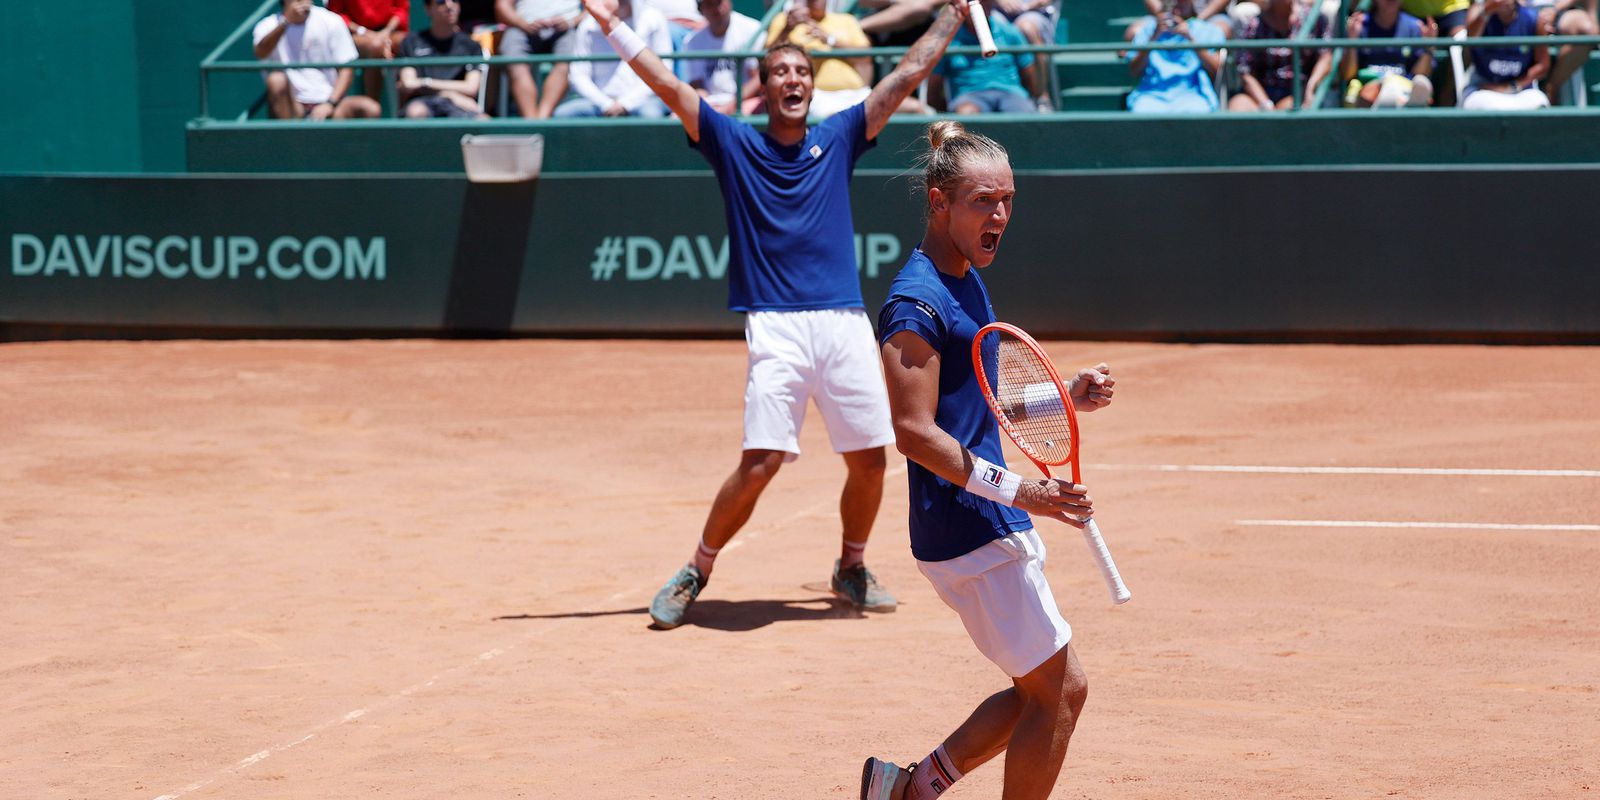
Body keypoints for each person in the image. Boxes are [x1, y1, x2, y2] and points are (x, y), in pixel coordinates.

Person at [569, 0, 977, 629]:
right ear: (764, 87)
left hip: (843, 322)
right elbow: (667, 82)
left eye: (803, 73)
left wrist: (951, 15)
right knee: (760, 462)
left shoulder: (839, 137)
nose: (794, 80)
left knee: (871, 459)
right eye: (781, 72)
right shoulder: (732, 144)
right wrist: (609, 24)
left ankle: (851, 564)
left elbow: (903, 77)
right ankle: (697, 568)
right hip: (777, 326)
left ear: (812, 87)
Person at [862, 120, 1114, 800]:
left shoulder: (965, 276)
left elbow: (984, 397)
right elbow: (914, 432)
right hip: (968, 524)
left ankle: (910, 789)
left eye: (1007, 199)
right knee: (1063, 691)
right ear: (939, 204)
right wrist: (1022, 493)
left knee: (1036, 689)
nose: (999, 214)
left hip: (981, 517)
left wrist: (1065, 398)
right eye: (983, 200)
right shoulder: (916, 303)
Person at [253, 0, 383, 121]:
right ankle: (289, 143)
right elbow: (261, 53)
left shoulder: (331, 20)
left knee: (370, 109)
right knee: (276, 80)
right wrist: (286, 22)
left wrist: (330, 103)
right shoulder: (267, 25)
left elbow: (346, 70)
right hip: (293, 106)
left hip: (331, 104)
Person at [555, 0, 674, 116]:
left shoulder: (653, 18)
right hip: (598, 102)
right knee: (563, 115)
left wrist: (626, 103)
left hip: (643, 102)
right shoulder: (587, 25)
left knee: (650, 114)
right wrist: (606, 104)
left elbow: (664, 70)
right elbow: (578, 75)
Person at [766, 0, 880, 117]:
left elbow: (865, 55)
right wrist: (787, 29)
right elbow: (767, 58)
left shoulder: (846, 20)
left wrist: (830, 40)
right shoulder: (783, 20)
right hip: (815, 96)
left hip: (856, 93)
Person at [931, 0, 1040, 113]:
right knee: (967, 112)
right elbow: (933, 88)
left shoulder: (1010, 32)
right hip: (969, 95)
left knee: (1023, 111)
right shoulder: (948, 40)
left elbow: (1029, 75)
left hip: (1011, 92)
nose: (985, 4)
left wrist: (1036, 98)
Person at [1123, 0, 1227, 113]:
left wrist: (1190, 39)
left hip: (1193, 95)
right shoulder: (1148, 30)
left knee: (1199, 111)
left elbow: (1216, 70)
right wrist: (1154, 38)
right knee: (1141, 110)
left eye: (1182, 2)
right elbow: (1134, 71)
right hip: (1151, 95)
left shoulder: (1205, 29)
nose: (1177, 6)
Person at [1228, 0, 1333, 110]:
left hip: (1297, 92)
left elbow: (1326, 56)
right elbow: (1245, 70)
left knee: (1290, 109)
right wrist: (1266, 104)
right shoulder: (1254, 24)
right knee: (1238, 105)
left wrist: (1310, 87)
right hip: (1260, 93)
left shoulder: (1313, 19)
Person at [398, 0, 490, 118]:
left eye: (454, 1)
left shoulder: (471, 45)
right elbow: (408, 83)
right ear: (428, 9)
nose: (449, 6)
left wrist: (425, 83)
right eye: (441, 2)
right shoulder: (411, 41)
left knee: (483, 120)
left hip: (459, 103)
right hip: (423, 101)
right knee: (416, 112)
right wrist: (446, 93)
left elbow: (471, 87)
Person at [1340, 0, 1436, 107]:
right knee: (1373, 92)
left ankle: (1402, 103)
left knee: (1418, 82)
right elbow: (1348, 74)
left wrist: (1428, 48)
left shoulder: (1414, 26)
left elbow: (1419, 74)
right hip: (1368, 90)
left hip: (1402, 88)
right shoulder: (1359, 25)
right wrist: (1352, 42)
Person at [497, 0, 583, 117]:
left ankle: (542, 120)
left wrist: (571, 22)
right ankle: (532, 122)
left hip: (568, 28)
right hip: (522, 26)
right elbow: (502, 6)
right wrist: (523, 23)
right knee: (515, 62)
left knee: (568, 62)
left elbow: (596, 6)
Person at [1460, 0, 1550, 109]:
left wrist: (1513, 86)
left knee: (1539, 104)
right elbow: (1470, 40)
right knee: (1478, 106)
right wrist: (1487, 11)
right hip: (1482, 86)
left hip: (1521, 88)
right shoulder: (1479, 11)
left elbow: (1543, 65)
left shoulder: (1533, 19)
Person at [680, 0, 762, 114]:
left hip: (745, 101)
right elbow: (696, 83)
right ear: (701, 9)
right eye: (709, 4)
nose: (717, 9)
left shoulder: (751, 29)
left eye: (719, 2)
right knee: (677, 116)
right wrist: (701, 96)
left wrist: (732, 104)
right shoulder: (692, 41)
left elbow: (757, 78)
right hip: (711, 104)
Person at [326, 0, 411, 100]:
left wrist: (385, 33)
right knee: (375, 46)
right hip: (355, 34)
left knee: (407, 43)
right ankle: (372, 105)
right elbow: (337, 15)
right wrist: (364, 32)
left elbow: (401, 10)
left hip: (389, 32)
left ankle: (411, 104)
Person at [1537, 0, 1597, 104]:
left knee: (1589, 32)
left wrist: (1554, 9)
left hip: (1561, 10)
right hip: (1522, 12)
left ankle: (1551, 88)